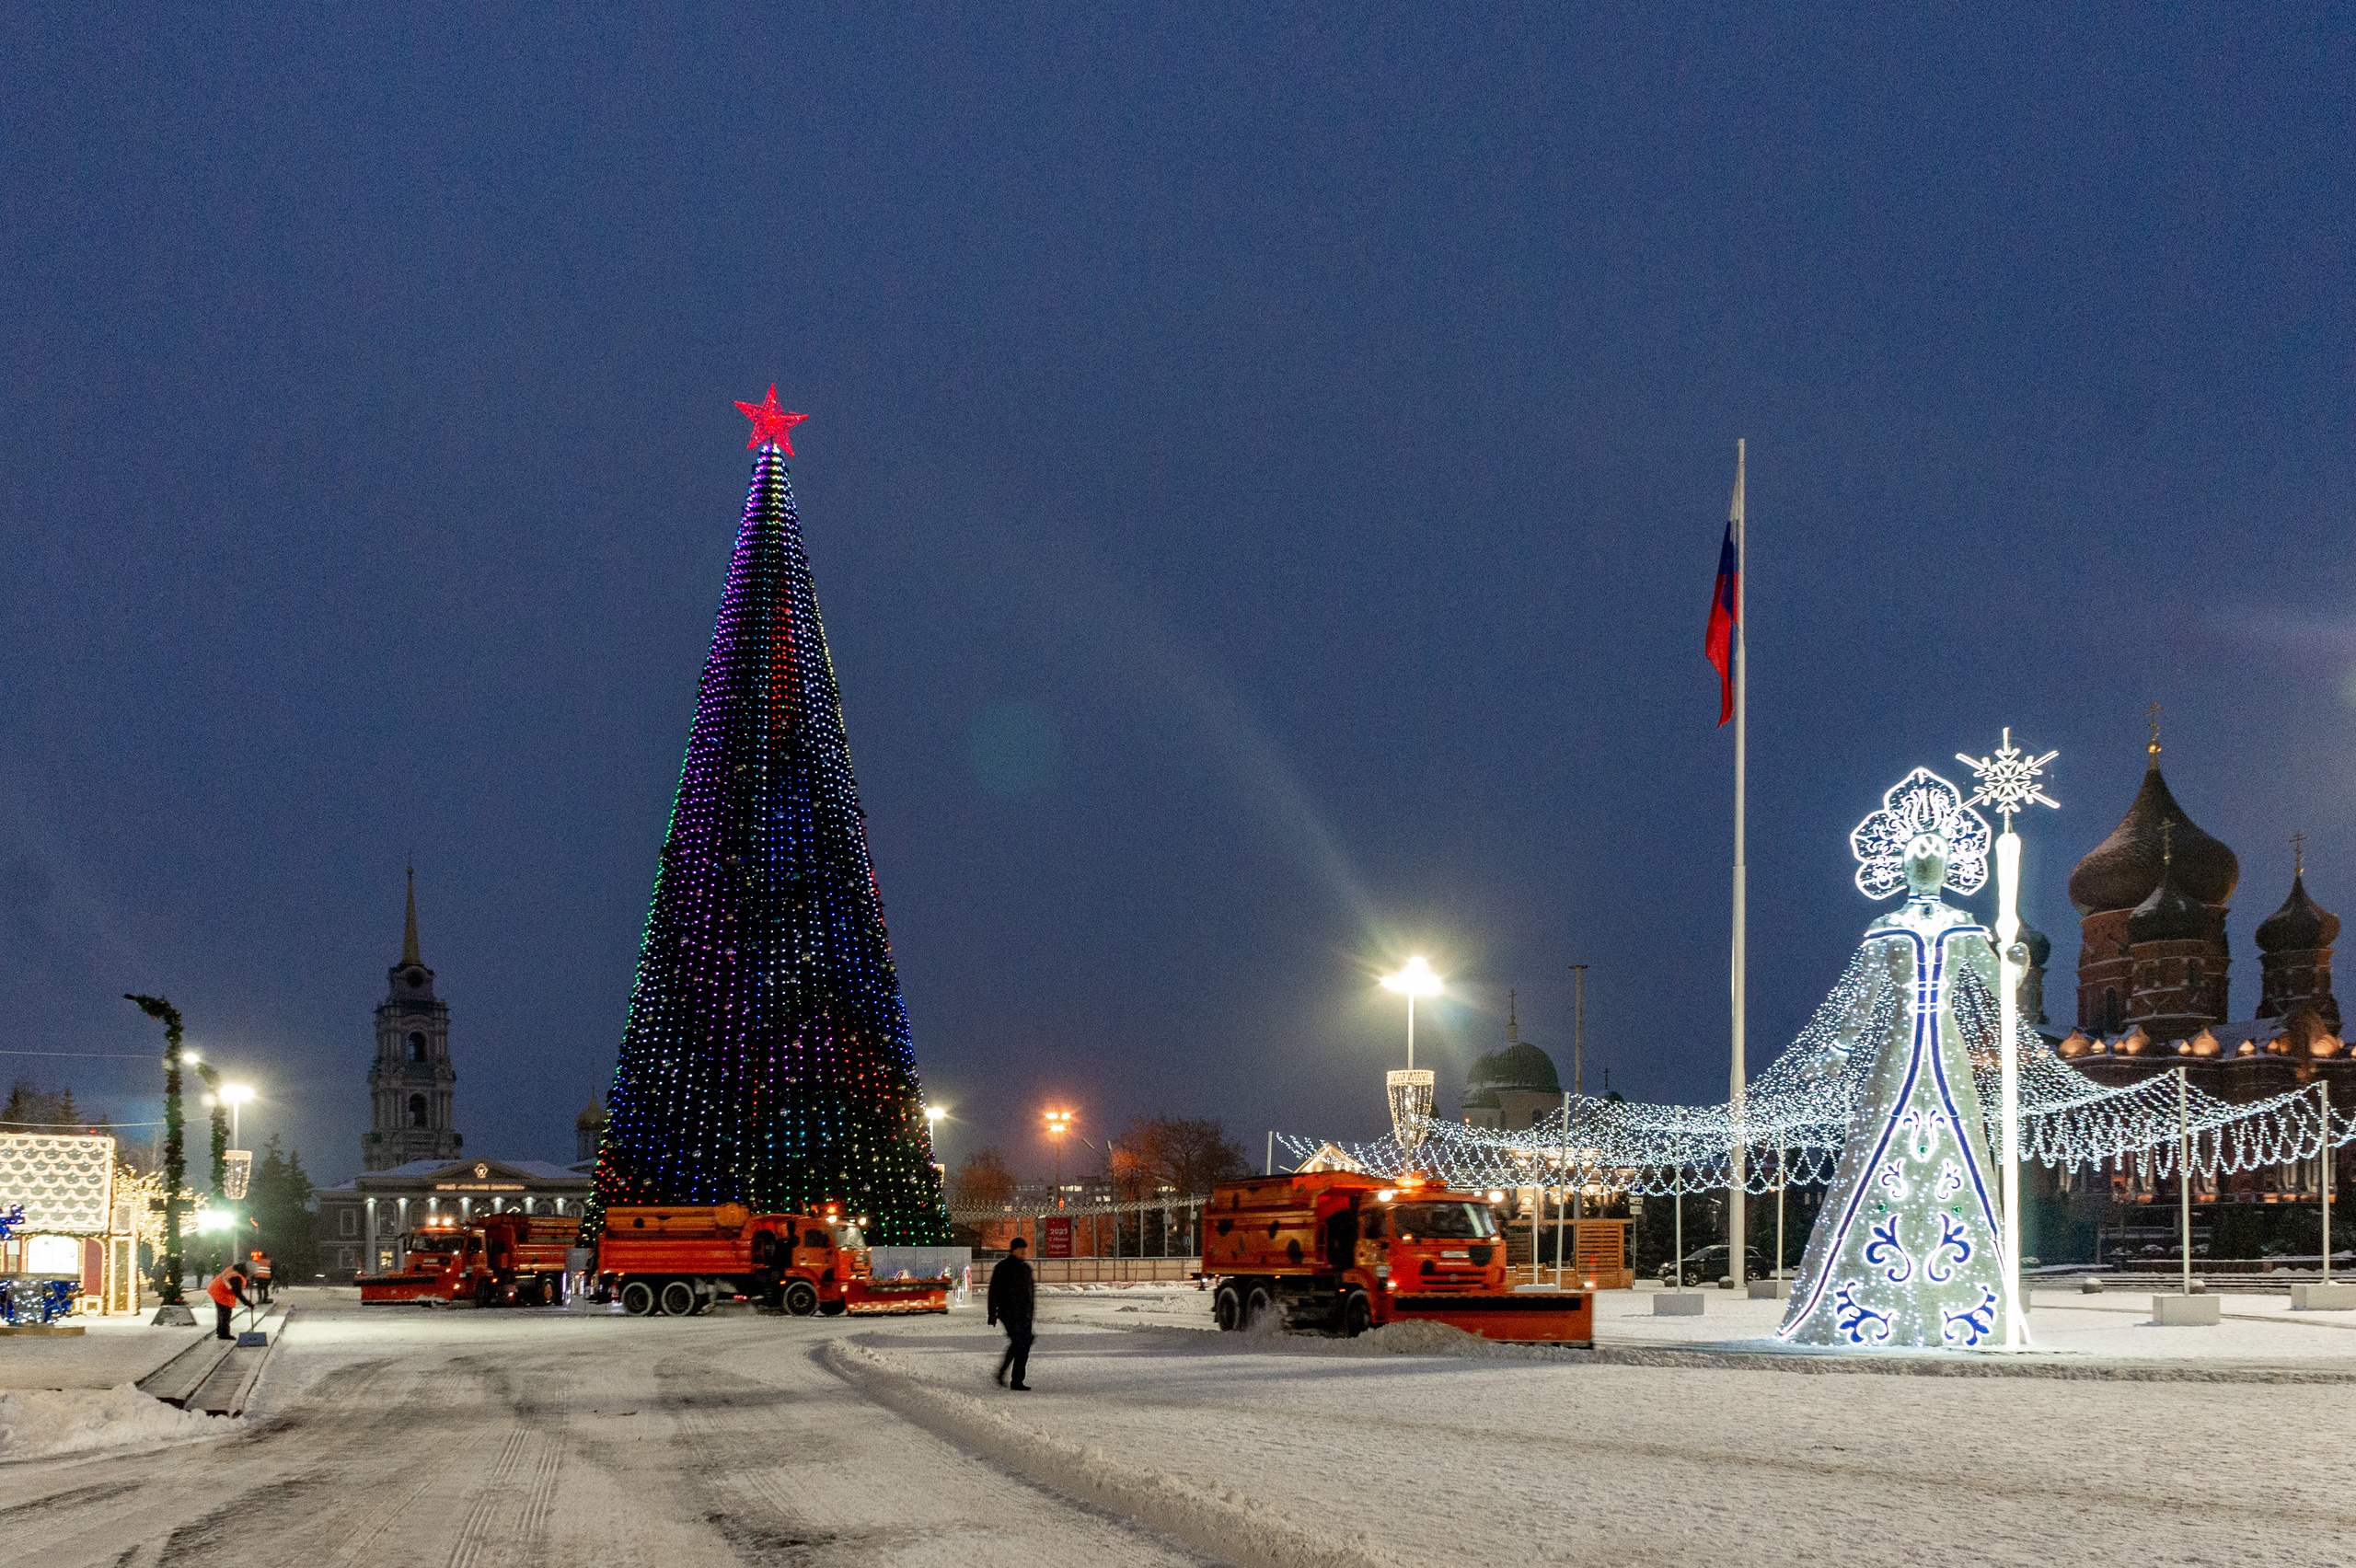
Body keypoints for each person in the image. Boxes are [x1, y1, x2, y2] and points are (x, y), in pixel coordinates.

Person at [1779, 767, 2011, 1349]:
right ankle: (1847, 1299)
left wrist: (2016, 961)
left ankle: (1964, 1308)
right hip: (1898, 1046)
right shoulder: (1885, 928)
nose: (1926, 857)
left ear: (1951, 860)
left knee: (1961, 1146)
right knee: (1873, 1148)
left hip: (1948, 1048)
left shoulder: (1964, 925)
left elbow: (2000, 987)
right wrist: (1833, 1051)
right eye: (1917, 850)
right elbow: (1860, 1000)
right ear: (1900, 863)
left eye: (1935, 849)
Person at [986, 1234, 1035, 1390]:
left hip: (1024, 1314)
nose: (1023, 1252)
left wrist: (1031, 1312)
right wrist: (992, 1313)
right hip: (1008, 1313)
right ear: (1013, 1251)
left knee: (1023, 1343)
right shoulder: (1002, 1267)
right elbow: (993, 1291)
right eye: (1020, 1250)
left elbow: (1030, 1293)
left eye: (1024, 1250)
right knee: (1021, 1341)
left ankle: (1014, 1378)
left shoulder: (1026, 1269)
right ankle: (1013, 1379)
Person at [207, 1261, 251, 1341]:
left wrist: (247, 1283)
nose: (250, 1275)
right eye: (250, 1273)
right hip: (220, 1291)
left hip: (217, 1288)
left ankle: (221, 1331)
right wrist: (247, 1303)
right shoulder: (236, 1277)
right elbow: (237, 1292)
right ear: (247, 1270)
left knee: (222, 1312)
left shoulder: (236, 1269)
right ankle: (223, 1334)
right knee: (226, 1313)